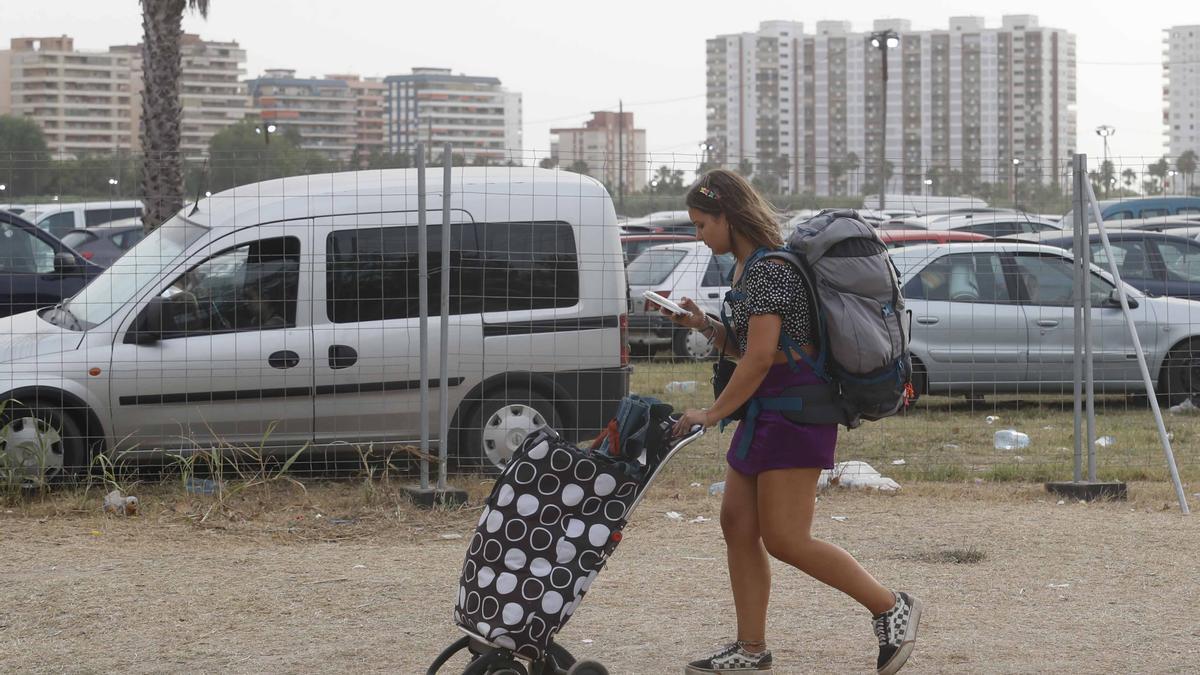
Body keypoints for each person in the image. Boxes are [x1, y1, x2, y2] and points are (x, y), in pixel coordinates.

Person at [663, 169, 921, 674]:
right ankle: (751, 649)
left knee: (786, 538)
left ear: (727, 217)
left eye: (701, 224)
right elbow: (754, 348)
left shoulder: (769, 271)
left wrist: (712, 413)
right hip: (767, 411)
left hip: (798, 412)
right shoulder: (747, 269)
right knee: (737, 524)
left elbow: (760, 360)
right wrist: (704, 325)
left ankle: (891, 606)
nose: (698, 234)